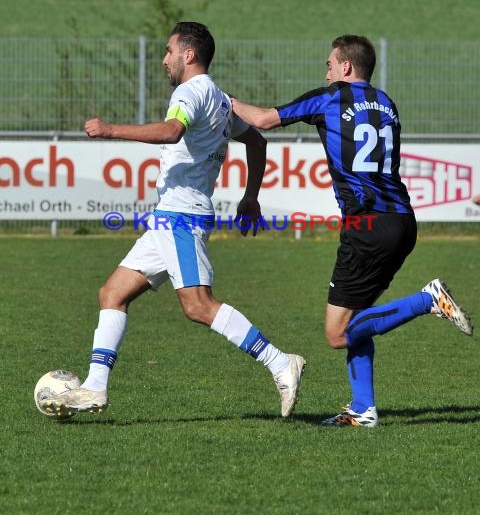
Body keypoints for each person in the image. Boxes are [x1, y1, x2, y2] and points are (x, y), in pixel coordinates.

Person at [41, 22, 305, 419]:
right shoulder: (217, 97)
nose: (163, 59)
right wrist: (250, 197)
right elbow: (257, 140)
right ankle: (95, 388)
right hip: (168, 218)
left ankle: (280, 362)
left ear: (189, 54)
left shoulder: (191, 91)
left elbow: (171, 132)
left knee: (198, 306)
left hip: (181, 217)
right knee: (112, 293)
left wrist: (112, 130)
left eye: (168, 51)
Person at [231, 34, 472, 427]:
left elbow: (260, 120)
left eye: (329, 65)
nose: (326, 72)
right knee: (358, 320)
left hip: (366, 226)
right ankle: (363, 409)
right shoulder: (387, 103)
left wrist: (218, 96)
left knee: (337, 333)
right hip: (402, 220)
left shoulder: (331, 98)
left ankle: (427, 300)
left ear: (346, 67)